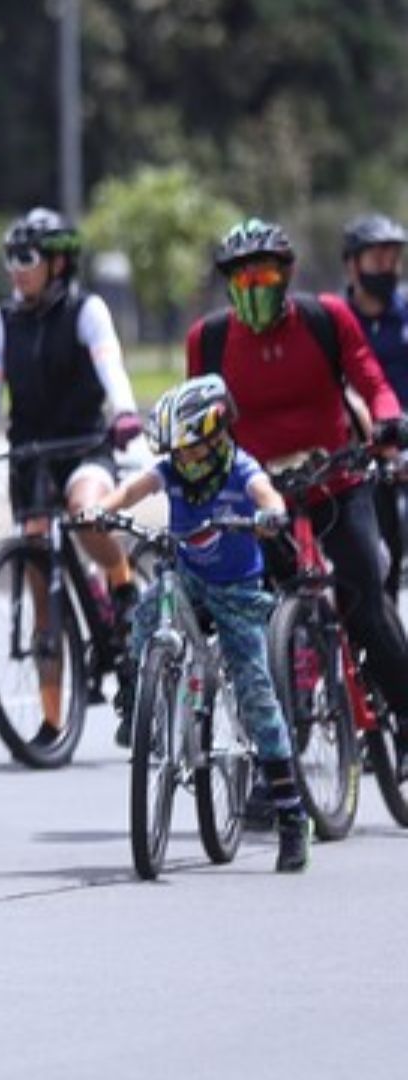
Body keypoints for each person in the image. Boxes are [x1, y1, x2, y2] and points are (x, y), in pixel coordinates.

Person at [190, 218, 408, 764]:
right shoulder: (209, 340)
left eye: (264, 274)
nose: (253, 287)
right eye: (241, 278)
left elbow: (372, 382)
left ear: (286, 274)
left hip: (337, 478)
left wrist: (388, 421)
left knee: (365, 606)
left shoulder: (326, 318)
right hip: (262, 493)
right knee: (257, 623)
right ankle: (273, 768)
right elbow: (199, 418)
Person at [82, 376, 309, 871]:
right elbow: (131, 489)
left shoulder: (241, 470)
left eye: (190, 451)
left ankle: (291, 814)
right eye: (176, 454)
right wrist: (102, 509)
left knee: (255, 689)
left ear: (217, 437)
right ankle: (137, 700)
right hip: (190, 580)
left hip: (239, 595)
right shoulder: (171, 471)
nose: (182, 461)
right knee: (145, 613)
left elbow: (267, 494)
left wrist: (271, 514)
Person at [0, 207, 144, 749]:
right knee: (42, 590)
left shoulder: (88, 310)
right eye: (10, 259)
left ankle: (123, 585)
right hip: (29, 456)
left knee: (86, 514)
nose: (15, 270)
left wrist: (126, 411)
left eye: (26, 259)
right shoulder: (1, 320)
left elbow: (112, 366)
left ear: (58, 263)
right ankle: (51, 720)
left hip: (83, 445)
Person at [340, 214, 408, 593]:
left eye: (393, 259)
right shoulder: (333, 319)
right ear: (352, 264)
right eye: (377, 258)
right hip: (362, 451)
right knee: (378, 559)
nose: (388, 268)